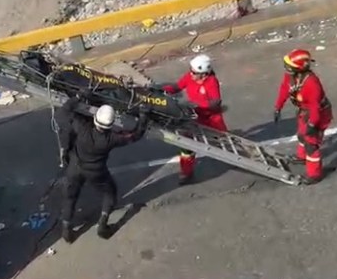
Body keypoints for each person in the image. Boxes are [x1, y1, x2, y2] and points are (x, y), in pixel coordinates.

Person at [56, 93, 149, 243]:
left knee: (70, 197)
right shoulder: (112, 139)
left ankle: (67, 231)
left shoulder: (82, 128)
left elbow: (63, 112)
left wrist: (79, 96)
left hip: (75, 167)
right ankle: (103, 226)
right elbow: (135, 135)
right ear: (111, 124)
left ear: (95, 118)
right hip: (96, 172)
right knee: (110, 193)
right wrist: (143, 117)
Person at [160, 54, 227, 185]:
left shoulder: (211, 82)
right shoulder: (189, 77)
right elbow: (177, 87)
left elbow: (215, 102)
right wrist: (162, 90)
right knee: (186, 147)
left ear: (204, 74)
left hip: (211, 119)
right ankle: (186, 173)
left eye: (194, 72)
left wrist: (197, 105)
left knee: (223, 141)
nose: (191, 74)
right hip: (194, 118)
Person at [273, 48, 333, 184]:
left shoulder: (311, 83)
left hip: (318, 114)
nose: (286, 69)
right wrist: (278, 107)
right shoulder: (291, 76)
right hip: (304, 111)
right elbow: (284, 89)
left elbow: (315, 106)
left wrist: (313, 124)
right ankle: (302, 156)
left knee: (311, 144)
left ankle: (315, 174)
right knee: (301, 135)